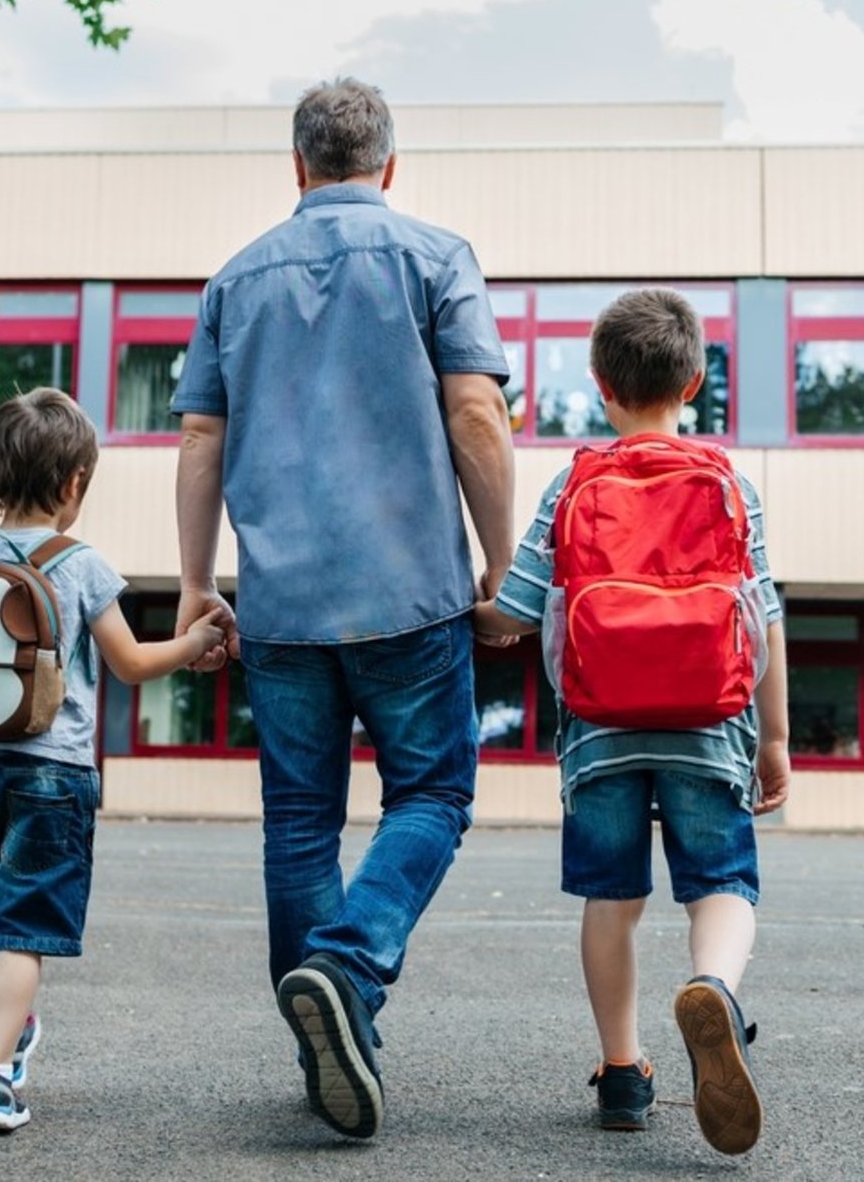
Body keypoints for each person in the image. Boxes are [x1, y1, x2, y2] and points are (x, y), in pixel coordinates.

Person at [169, 77, 516, 1141]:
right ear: (389, 166)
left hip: (279, 606)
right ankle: (347, 969)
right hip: (409, 595)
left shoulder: (234, 279)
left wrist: (196, 584)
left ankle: (326, 1032)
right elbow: (475, 413)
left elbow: (197, 440)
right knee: (431, 797)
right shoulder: (436, 257)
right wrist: (503, 568)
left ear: (298, 167)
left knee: (299, 825)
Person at [473, 289, 790, 1157]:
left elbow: (515, 613)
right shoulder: (729, 481)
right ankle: (715, 990)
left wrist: (472, 603)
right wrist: (774, 741)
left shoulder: (575, 481)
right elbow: (761, 616)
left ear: (600, 383)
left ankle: (622, 1073)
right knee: (722, 882)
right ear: (693, 380)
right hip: (711, 723)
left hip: (600, 732)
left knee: (612, 901)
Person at [0, 389, 227, 1133]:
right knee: (26, 924)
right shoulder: (81, 563)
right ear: (74, 485)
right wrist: (195, 646)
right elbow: (129, 663)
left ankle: (5, 1033)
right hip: (51, 770)